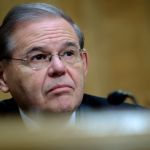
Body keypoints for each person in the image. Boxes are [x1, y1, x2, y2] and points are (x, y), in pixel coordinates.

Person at [0, 3, 145, 126]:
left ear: (84, 63)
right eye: (38, 57)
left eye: (68, 53)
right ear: (2, 77)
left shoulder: (134, 125)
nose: (59, 68)